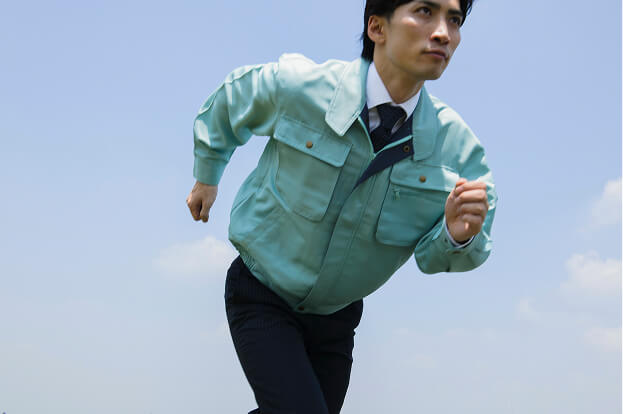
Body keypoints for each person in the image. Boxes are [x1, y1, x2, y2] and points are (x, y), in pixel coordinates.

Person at [186, 0, 496, 412]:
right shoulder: (302, 87)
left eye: (454, 20)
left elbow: (435, 256)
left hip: (336, 319)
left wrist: (456, 236)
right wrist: (207, 175)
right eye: (425, 11)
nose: (444, 33)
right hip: (262, 291)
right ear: (377, 28)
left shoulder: (458, 153)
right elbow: (234, 98)